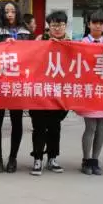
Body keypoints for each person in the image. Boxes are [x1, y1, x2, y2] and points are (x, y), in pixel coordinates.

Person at [0, 1, 33, 173]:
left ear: (17, 13)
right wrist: (3, 44)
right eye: (6, 11)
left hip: (18, 83)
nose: (10, 14)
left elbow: (33, 54)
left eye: (12, 11)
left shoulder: (26, 32)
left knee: (16, 121)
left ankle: (13, 158)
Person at [29, 10, 70, 176]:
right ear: (49, 26)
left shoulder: (72, 44)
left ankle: (52, 158)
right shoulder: (40, 41)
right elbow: (28, 58)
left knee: (55, 127)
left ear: (65, 26)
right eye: (54, 25)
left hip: (60, 93)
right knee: (38, 127)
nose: (57, 28)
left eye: (60, 25)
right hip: (40, 92)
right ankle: (37, 158)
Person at [76, 11, 103, 176]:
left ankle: (95, 160)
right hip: (89, 90)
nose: (98, 26)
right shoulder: (82, 43)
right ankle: (86, 159)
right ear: (88, 24)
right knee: (90, 126)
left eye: (101, 23)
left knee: (101, 127)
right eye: (95, 22)